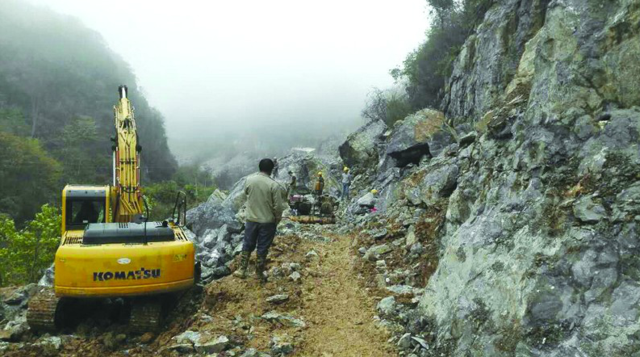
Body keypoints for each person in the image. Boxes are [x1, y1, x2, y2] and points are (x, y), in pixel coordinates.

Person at [234, 158, 286, 282]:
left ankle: (242, 269)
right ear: (271, 170)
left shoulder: (249, 180)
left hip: (251, 219)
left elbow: (246, 193)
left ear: (259, 167)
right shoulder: (274, 185)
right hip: (267, 221)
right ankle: (258, 273)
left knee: (247, 243)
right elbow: (278, 207)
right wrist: (277, 219)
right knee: (262, 247)